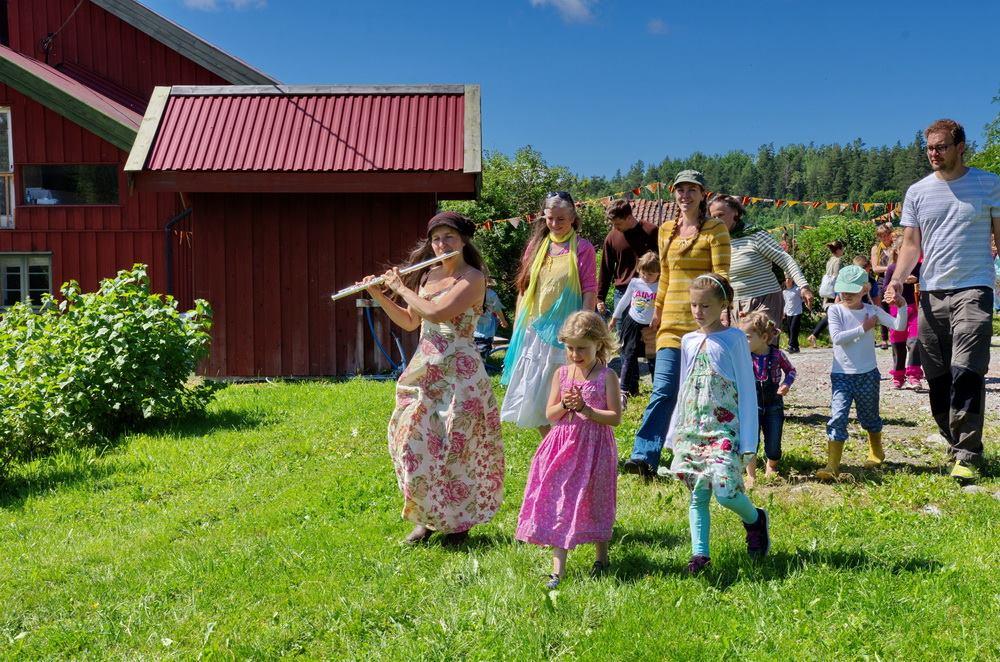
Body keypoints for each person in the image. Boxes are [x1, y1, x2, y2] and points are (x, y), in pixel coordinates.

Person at [361, 211, 505, 545]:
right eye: (437, 239)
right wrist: (379, 294)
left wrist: (399, 286)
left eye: (449, 238)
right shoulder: (427, 276)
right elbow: (412, 322)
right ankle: (424, 517)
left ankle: (458, 524)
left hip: (461, 373)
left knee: (457, 448)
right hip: (425, 369)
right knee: (412, 438)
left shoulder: (473, 278)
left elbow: (438, 313)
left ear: (463, 241)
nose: (442, 245)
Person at [886, 118, 1000, 483]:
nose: (934, 153)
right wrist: (899, 279)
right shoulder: (918, 192)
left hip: (974, 288)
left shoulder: (988, 184)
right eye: (930, 148)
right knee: (937, 376)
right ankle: (954, 443)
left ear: (960, 146)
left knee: (967, 368)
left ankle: (968, 452)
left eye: (941, 146)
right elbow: (911, 245)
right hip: (932, 292)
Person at [623, 170, 731, 478]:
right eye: (680, 189)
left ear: (702, 194)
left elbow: (721, 275)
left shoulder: (716, 229)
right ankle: (643, 456)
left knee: (702, 393)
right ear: (674, 194)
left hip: (702, 323)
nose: (685, 195)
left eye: (691, 189)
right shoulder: (666, 230)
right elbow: (666, 276)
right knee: (664, 389)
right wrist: (656, 313)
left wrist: (720, 312)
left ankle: (700, 456)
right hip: (670, 320)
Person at [664, 274, 769, 574]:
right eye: (694, 305)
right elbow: (684, 386)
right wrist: (674, 430)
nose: (698, 312)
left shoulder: (734, 339)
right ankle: (700, 556)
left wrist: (749, 441)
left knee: (726, 492)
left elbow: (747, 391)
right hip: (693, 427)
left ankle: (755, 519)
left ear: (723, 304)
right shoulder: (688, 340)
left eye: (705, 306)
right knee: (698, 492)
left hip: (724, 428)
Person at [516, 311, 621, 589]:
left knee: (596, 499)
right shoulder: (561, 374)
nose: (575, 354)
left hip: (596, 446)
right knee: (561, 500)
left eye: (582, 348)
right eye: (570, 348)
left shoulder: (607, 376)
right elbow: (550, 413)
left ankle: (602, 557)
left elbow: (615, 417)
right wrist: (566, 404)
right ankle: (557, 570)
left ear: (599, 344)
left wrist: (587, 409)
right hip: (563, 446)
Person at [501, 192, 598, 436]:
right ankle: (549, 442)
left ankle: (567, 440)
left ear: (573, 217)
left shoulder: (583, 249)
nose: (555, 224)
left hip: (565, 333)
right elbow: (524, 288)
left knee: (564, 392)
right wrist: (517, 328)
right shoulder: (536, 248)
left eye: (561, 219)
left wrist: (583, 330)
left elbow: (589, 289)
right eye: (550, 218)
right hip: (535, 329)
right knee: (536, 395)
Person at [817, 265, 907, 480]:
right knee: (838, 416)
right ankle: (832, 465)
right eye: (843, 290)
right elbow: (837, 338)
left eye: (852, 290)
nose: (846, 294)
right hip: (841, 374)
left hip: (867, 374)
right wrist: (864, 328)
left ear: (865, 288)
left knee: (869, 416)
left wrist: (901, 307)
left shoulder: (872, 311)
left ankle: (876, 452)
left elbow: (898, 326)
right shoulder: (835, 310)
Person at [709, 194, 813, 328]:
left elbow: (785, 259)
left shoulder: (755, 235)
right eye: (713, 217)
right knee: (741, 347)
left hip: (764, 300)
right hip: (734, 303)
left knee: (762, 345)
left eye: (720, 215)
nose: (717, 220)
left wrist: (804, 287)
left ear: (735, 212)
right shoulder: (716, 241)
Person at [740, 311, 796, 484]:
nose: (743, 341)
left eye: (747, 337)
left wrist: (786, 384)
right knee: (751, 439)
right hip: (751, 404)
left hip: (773, 404)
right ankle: (751, 474)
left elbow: (791, 370)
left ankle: (771, 466)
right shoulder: (743, 356)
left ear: (764, 337)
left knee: (773, 439)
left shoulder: (777, 355)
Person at [609, 251, 659, 405]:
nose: (646, 276)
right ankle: (623, 390)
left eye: (651, 274)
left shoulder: (660, 286)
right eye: (643, 272)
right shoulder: (635, 283)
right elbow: (624, 300)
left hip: (651, 325)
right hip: (632, 322)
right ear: (639, 269)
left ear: (658, 273)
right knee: (628, 355)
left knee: (653, 357)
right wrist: (614, 317)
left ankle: (657, 389)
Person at [597, 199, 659, 318]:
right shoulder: (611, 237)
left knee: (646, 334)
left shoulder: (651, 231)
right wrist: (600, 297)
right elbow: (606, 269)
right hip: (622, 293)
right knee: (623, 335)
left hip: (648, 292)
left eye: (618, 224)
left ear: (629, 217)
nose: (615, 227)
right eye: (613, 224)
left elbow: (663, 262)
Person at [884, 242, 923, 389]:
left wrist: (917, 279)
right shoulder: (892, 269)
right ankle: (898, 376)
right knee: (898, 344)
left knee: (915, 340)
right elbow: (884, 289)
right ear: (898, 251)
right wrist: (893, 290)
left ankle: (914, 374)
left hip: (915, 308)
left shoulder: (919, 268)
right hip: (897, 310)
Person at [808, 240, 845, 347]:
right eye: (842, 249)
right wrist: (841, 294)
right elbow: (838, 278)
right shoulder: (838, 261)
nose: (843, 251)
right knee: (832, 316)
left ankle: (818, 336)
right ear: (838, 250)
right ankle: (815, 335)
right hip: (834, 293)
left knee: (831, 315)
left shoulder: (829, 260)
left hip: (827, 292)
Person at [871, 223, 896, 349]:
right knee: (883, 309)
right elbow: (875, 268)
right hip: (881, 281)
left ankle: (896, 334)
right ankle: (884, 338)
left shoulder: (895, 247)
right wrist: (890, 268)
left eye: (886, 235)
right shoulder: (876, 248)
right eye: (882, 236)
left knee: (895, 307)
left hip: (895, 280)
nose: (885, 238)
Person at [474, 278, 508, 364]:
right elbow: (497, 309)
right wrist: (503, 321)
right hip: (485, 331)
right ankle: (481, 364)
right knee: (482, 350)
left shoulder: (471, 292)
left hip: (472, 328)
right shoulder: (491, 294)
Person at [782, 277, 803, 353]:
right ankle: (796, 347)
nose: (787, 280)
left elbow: (803, 298)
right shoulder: (784, 292)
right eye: (786, 279)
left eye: (789, 279)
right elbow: (786, 303)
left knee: (793, 329)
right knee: (790, 331)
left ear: (792, 280)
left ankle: (790, 346)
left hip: (797, 312)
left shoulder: (797, 289)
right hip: (789, 313)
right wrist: (784, 312)